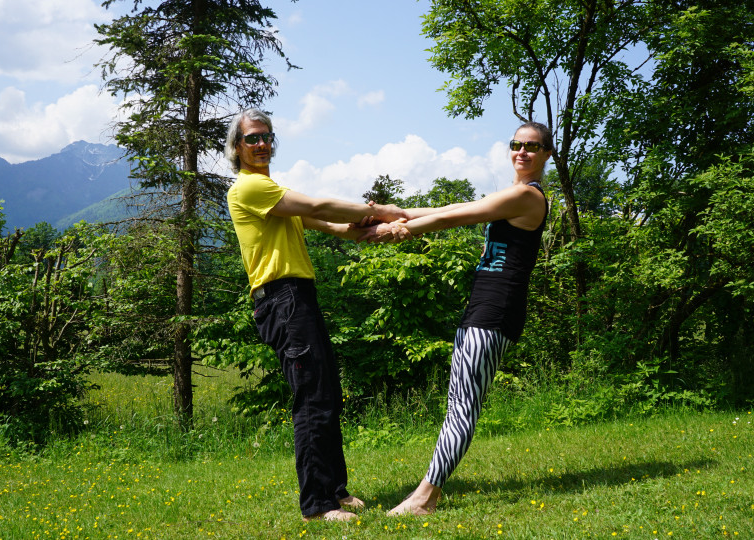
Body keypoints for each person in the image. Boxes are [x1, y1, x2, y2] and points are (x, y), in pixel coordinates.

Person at [224, 108, 409, 522]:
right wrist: (381, 210)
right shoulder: (250, 189)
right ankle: (316, 505)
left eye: (267, 137)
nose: (262, 144)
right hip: (281, 298)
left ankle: (335, 491)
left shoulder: (271, 191)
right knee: (311, 398)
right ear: (236, 147)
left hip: (298, 296)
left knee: (327, 393)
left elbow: (330, 224)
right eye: (252, 138)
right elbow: (321, 203)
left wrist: (371, 228)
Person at [360, 122, 552, 515]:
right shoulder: (513, 195)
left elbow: (452, 220)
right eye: (516, 144)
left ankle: (425, 497)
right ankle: (427, 493)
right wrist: (388, 212)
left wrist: (397, 229)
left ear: (546, 154)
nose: (522, 151)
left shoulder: (529, 198)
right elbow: (452, 208)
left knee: (462, 408)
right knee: (459, 405)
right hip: (483, 308)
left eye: (532, 146)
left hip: (495, 311)